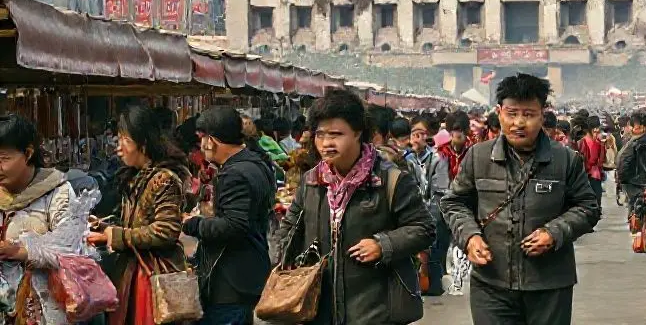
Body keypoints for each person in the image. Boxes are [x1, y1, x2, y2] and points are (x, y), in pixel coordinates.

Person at [441, 73, 601, 325]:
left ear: (543, 114)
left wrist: (554, 232)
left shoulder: (565, 160)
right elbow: (454, 203)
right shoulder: (478, 157)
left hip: (549, 285)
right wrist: (470, 237)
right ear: (499, 112)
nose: (519, 122)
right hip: (491, 283)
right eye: (511, 113)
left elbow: (588, 208)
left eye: (528, 114)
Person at [275, 89, 435, 325]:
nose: (326, 143)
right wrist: (281, 262)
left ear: (358, 133)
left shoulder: (390, 180)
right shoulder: (312, 181)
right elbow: (289, 228)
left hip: (376, 308)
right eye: (320, 135)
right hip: (319, 307)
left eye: (336, 134)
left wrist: (383, 244)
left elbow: (424, 228)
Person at [89, 106, 191, 325]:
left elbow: (166, 231)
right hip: (132, 272)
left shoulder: (164, 179)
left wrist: (115, 236)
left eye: (124, 140)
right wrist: (104, 226)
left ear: (143, 143)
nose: (119, 149)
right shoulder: (135, 177)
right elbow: (133, 222)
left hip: (153, 276)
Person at [185, 106, 276, 324]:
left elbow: (234, 225)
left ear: (212, 140)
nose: (202, 146)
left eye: (202, 139)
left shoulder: (235, 173)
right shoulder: (256, 163)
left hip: (231, 280)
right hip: (248, 272)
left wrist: (194, 224)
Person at [0, 115, 91, 325]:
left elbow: (72, 247)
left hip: (45, 307)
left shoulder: (57, 191)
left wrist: (21, 251)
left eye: (3, 159)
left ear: (28, 153)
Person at [410, 115, 450, 296]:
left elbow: (440, 191)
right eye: (413, 133)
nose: (416, 138)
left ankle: (434, 285)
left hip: (432, 213)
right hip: (412, 214)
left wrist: (431, 218)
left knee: (433, 252)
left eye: (421, 133)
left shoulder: (437, 159)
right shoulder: (407, 157)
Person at [439, 111, 474, 296]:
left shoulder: (474, 151)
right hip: (446, 199)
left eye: (460, 135)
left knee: (461, 236)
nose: (456, 139)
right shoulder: (442, 152)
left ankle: (460, 275)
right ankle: (447, 272)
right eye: (453, 134)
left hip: (467, 200)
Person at [616, 109, 646, 213]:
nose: (631, 128)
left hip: (641, 190)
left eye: (634, 125)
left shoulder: (644, 144)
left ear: (642, 127)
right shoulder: (641, 141)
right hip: (638, 190)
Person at [578, 115, 606, 212]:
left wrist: (602, 145)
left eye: (598, 127)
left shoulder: (598, 142)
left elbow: (601, 160)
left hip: (595, 174)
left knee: (597, 198)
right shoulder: (583, 142)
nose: (597, 130)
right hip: (586, 175)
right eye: (595, 128)